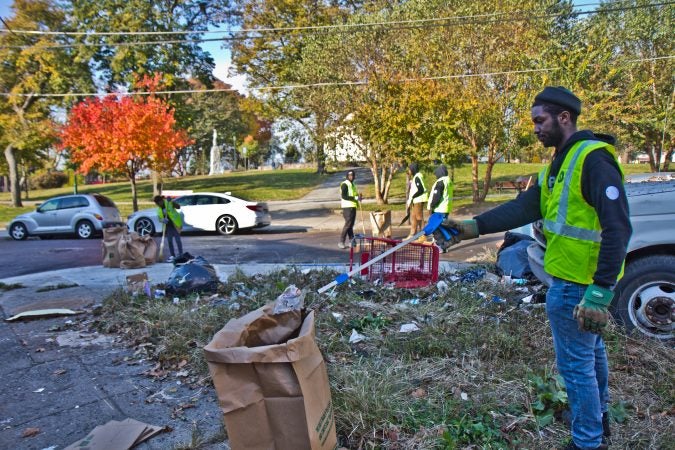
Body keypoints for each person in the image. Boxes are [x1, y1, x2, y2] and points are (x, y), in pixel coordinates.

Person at [435, 86, 631, 450]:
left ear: (564, 117)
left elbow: (619, 228)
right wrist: (473, 227)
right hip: (573, 280)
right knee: (591, 356)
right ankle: (598, 420)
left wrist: (600, 293)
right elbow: (526, 207)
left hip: (580, 285)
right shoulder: (559, 164)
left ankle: (587, 441)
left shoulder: (593, 160)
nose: (535, 128)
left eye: (540, 120)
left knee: (576, 367)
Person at [154, 195, 184, 262]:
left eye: (158, 203)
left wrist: (172, 201)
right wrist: (162, 220)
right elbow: (159, 218)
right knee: (169, 241)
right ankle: (172, 256)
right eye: (156, 204)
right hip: (168, 227)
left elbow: (178, 207)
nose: (158, 205)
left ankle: (181, 255)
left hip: (176, 224)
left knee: (178, 240)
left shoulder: (169, 203)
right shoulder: (159, 210)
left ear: (161, 201)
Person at [405, 162, 428, 239]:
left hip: (419, 200)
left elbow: (421, 189)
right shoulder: (416, 177)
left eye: (410, 169)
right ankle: (412, 234)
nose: (409, 171)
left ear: (413, 169)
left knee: (419, 217)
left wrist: (413, 197)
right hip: (416, 200)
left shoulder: (418, 177)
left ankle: (423, 235)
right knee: (413, 217)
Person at [338, 170, 359, 249]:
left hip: (353, 206)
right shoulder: (345, 184)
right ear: (347, 176)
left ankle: (352, 241)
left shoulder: (353, 184)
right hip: (347, 207)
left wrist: (358, 198)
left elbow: (354, 195)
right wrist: (354, 198)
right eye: (350, 175)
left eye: (353, 175)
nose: (352, 177)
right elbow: (344, 196)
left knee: (351, 225)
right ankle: (341, 241)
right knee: (348, 224)